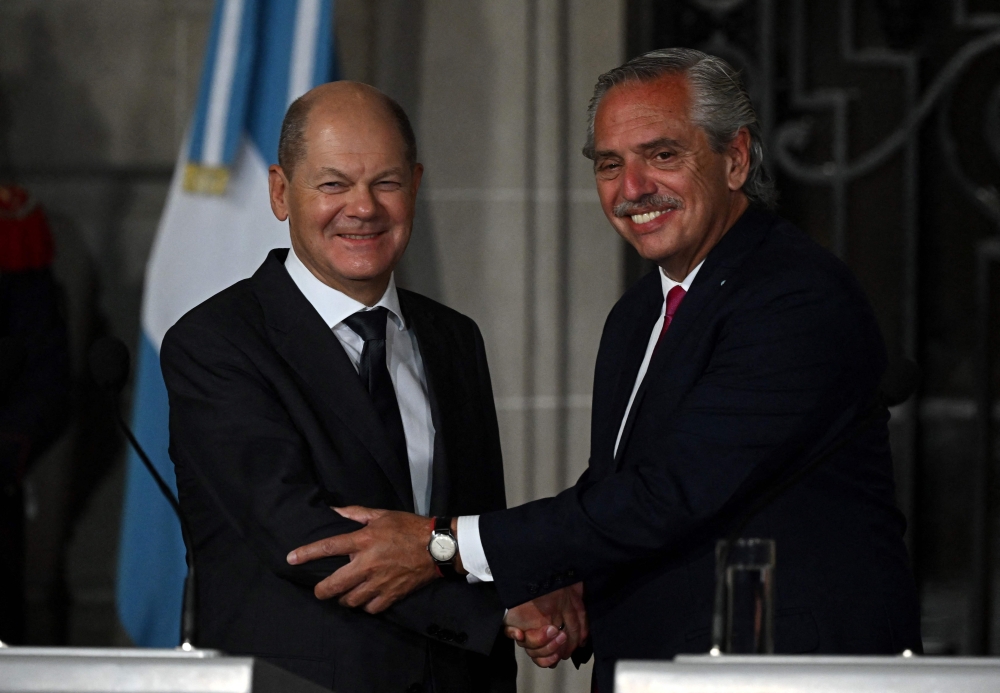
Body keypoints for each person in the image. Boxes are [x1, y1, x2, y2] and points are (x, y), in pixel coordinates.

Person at [284, 49, 923, 692]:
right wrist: (566, 582)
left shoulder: (793, 298)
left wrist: (441, 544)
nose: (633, 187)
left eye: (663, 155)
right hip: (662, 670)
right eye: (611, 165)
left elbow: (667, 495)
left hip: (784, 674)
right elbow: (619, 490)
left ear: (735, 159)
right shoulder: (639, 312)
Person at [160, 82, 532, 692]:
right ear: (281, 192)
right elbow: (302, 536)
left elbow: (472, 523)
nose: (363, 208)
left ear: (414, 185)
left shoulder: (454, 338)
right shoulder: (215, 342)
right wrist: (503, 612)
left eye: (385, 182)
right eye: (333, 184)